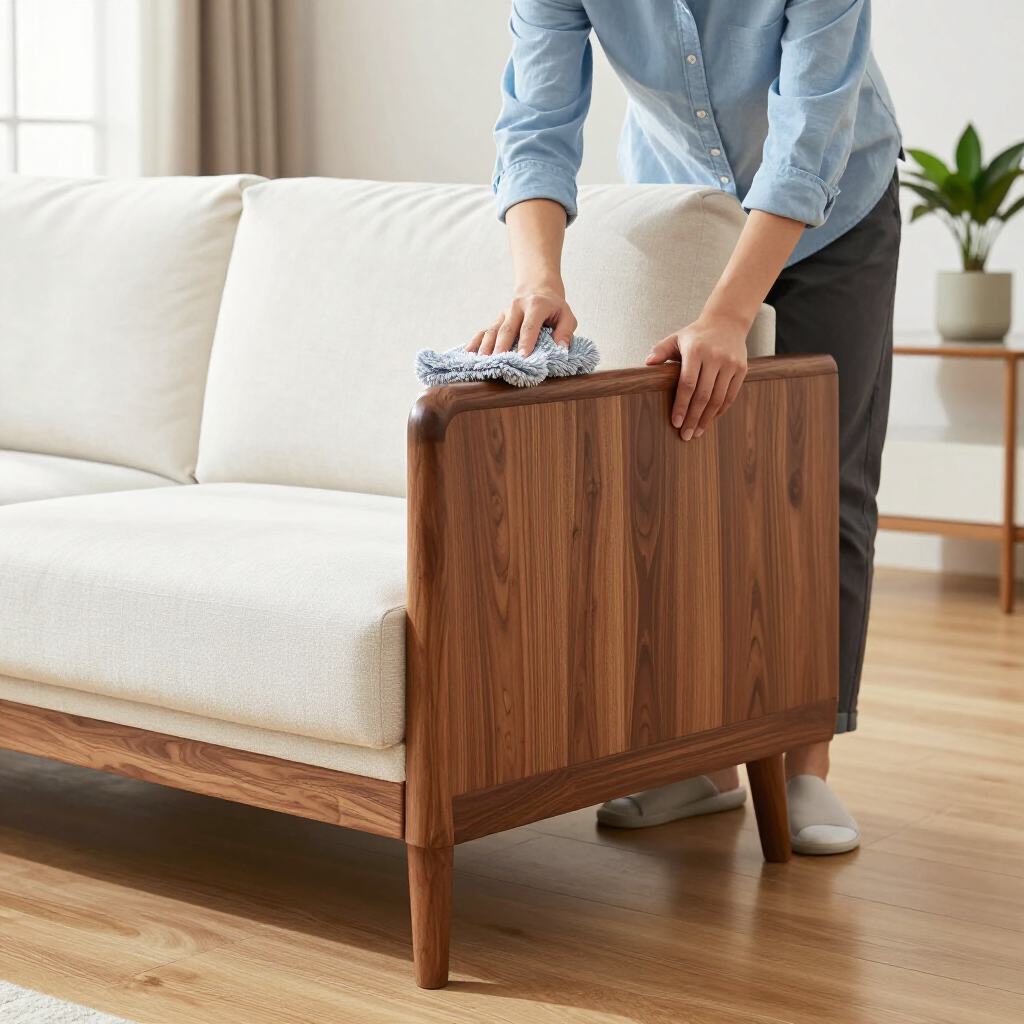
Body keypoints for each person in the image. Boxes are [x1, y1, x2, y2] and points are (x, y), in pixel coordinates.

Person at [468, 0, 902, 855]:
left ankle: (804, 764)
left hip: (836, 204)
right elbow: (536, 122)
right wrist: (537, 281)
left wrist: (731, 315)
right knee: (684, 474)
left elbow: (811, 126)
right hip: (682, 202)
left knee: (821, 478)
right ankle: (701, 763)